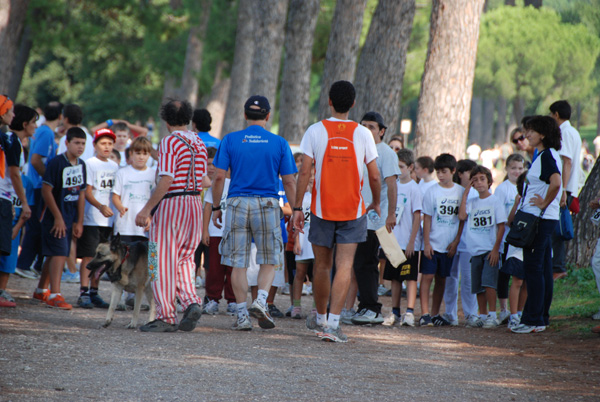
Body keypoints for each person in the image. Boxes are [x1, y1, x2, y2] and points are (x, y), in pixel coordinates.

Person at [292, 80, 380, 343]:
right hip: (353, 209)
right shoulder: (363, 133)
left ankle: (319, 319)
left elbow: (304, 171)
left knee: (322, 265)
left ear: (329, 101)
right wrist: (375, 202)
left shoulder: (315, 130)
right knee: (344, 266)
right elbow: (375, 176)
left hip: (320, 208)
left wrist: (298, 207)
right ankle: (333, 324)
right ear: (353, 104)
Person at [211, 95, 296, 331]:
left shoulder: (230, 140)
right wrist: (296, 209)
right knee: (269, 258)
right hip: (268, 204)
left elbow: (218, 176)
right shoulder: (279, 143)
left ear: (245, 115)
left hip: (237, 202)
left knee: (237, 262)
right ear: (268, 116)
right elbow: (289, 181)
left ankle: (241, 315)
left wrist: (217, 206)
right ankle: (260, 301)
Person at [135, 99, 209, 333]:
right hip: (195, 203)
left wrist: (146, 209)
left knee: (160, 260)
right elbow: (206, 179)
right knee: (186, 259)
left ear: (166, 121)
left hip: (172, 204)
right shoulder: (199, 142)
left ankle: (166, 315)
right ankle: (191, 302)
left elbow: (166, 178)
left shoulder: (169, 142)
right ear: (188, 118)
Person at [511, 115, 562, 334]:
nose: (526, 135)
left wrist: (543, 203)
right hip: (543, 218)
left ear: (542, 134)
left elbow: (556, 182)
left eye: (530, 131)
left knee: (534, 269)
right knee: (541, 269)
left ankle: (533, 320)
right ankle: (540, 317)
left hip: (539, 220)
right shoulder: (543, 155)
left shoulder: (547, 155)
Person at [350, 111, 398, 326]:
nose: (367, 129)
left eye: (371, 126)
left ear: (381, 131)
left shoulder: (386, 153)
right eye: (363, 125)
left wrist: (390, 215)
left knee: (368, 263)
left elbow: (392, 185)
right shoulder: (357, 149)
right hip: (355, 215)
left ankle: (372, 308)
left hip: (375, 218)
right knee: (357, 264)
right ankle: (361, 307)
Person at [33, 127, 87, 309]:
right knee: (59, 253)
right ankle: (55, 294)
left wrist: (79, 220)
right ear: (67, 143)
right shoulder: (56, 163)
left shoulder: (81, 165)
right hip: (54, 216)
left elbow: (81, 193)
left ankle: (41, 290)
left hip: (70, 215)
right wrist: (57, 217)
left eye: (83, 144)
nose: (80, 147)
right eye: (77, 143)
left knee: (56, 253)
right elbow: (46, 190)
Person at [16, 101, 63, 280]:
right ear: (60, 117)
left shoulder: (44, 132)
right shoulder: (46, 133)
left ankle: (30, 263)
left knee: (36, 225)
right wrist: (50, 179)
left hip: (37, 185)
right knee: (36, 226)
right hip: (38, 186)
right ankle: (23, 264)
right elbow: (36, 160)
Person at [75, 128, 119, 309]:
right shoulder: (89, 164)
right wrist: (100, 206)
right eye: (103, 143)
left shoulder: (115, 166)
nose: (106, 147)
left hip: (108, 220)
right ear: (95, 145)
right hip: (92, 217)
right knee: (88, 255)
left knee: (103, 257)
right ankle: (83, 291)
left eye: (110, 143)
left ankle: (95, 291)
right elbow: (87, 192)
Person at [458, 165, 507, 328]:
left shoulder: (495, 201)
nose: (479, 183)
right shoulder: (472, 202)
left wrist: (495, 250)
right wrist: (466, 192)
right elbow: (462, 215)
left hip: (489, 250)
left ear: (489, 181)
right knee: (478, 286)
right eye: (475, 180)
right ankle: (483, 314)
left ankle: (493, 315)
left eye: (482, 179)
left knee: (489, 284)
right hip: (475, 250)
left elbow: (501, 226)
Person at [421, 153, 464, 327]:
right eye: (438, 172)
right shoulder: (432, 191)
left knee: (442, 279)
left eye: (444, 171)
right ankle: (424, 314)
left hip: (449, 246)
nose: (440, 175)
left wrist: (456, 242)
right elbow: (428, 218)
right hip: (433, 243)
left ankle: (435, 314)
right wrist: (426, 243)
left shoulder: (461, 192)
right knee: (427, 276)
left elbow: (462, 220)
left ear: (453, 171)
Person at [382, 149, 422, 327]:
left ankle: (410, 312)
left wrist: (412, 241)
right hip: (393, 240)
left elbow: (417, 216)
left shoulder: (414, 189)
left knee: (410, 277)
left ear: (411, 167)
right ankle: (395, 311)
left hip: (408, 242)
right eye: (395, 167)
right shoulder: (393, 186)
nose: (398, 170)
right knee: (395, 278)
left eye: (401, 167)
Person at [442, 159, 478, 326]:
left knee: (468, 279)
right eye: (469, 174)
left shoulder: (476, 193)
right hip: (450, 241)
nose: (473, 178)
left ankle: (471, 313)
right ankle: (450, 313)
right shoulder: (453, 191)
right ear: (460, 174)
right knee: (450, 277)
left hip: (467, 243)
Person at [201, 148, 236, 316]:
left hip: (235, 233)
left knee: (233, 269)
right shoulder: (216, 183)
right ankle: (213, 299)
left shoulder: (238, 183)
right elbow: (208, 206)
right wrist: (204, 231)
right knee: (214, 268)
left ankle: (233, 301)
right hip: (215, 232)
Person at [549, 100, 581, 280]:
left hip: (564, 188)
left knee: (557, 229)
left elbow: (566, 162)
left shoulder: (566, 133)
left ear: (556, 114)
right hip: (567, 187)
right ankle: (557, 265)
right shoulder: (573, 132)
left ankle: (558, 267)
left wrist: (562, 190)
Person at [494, 154, 526, 325]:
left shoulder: (526, 187)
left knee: (521, 276)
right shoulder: (502, 189)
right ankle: (504, 309)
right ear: (506, 169)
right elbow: (500, 217)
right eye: (513, 168)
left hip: (522, 239)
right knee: (504, 273)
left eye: (520, 168)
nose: (517, 172)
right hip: (506, 238)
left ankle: (519, 310)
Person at [112, 136, 156, 243]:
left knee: (151, 258)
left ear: (149, 155)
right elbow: (115, 196)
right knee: (123, 259)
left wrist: (151, 216)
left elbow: (156, 200)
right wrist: (120, 208)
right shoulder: (122, 173)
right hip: (124, 228)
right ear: (131, 153)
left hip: (146, 228)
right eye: (138, 153)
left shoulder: (154, 175)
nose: (141, 157)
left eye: (145, 154)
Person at [292, 170, 315, 319]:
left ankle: (315, 307)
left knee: (318, 275)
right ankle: (296, 305)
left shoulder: (323, 198)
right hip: (303, 240)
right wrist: (296, 242)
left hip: (318, 241)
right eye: (310, 176)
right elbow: (297, 224)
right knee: (300, 273)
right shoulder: (303, 199)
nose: (312, 179)